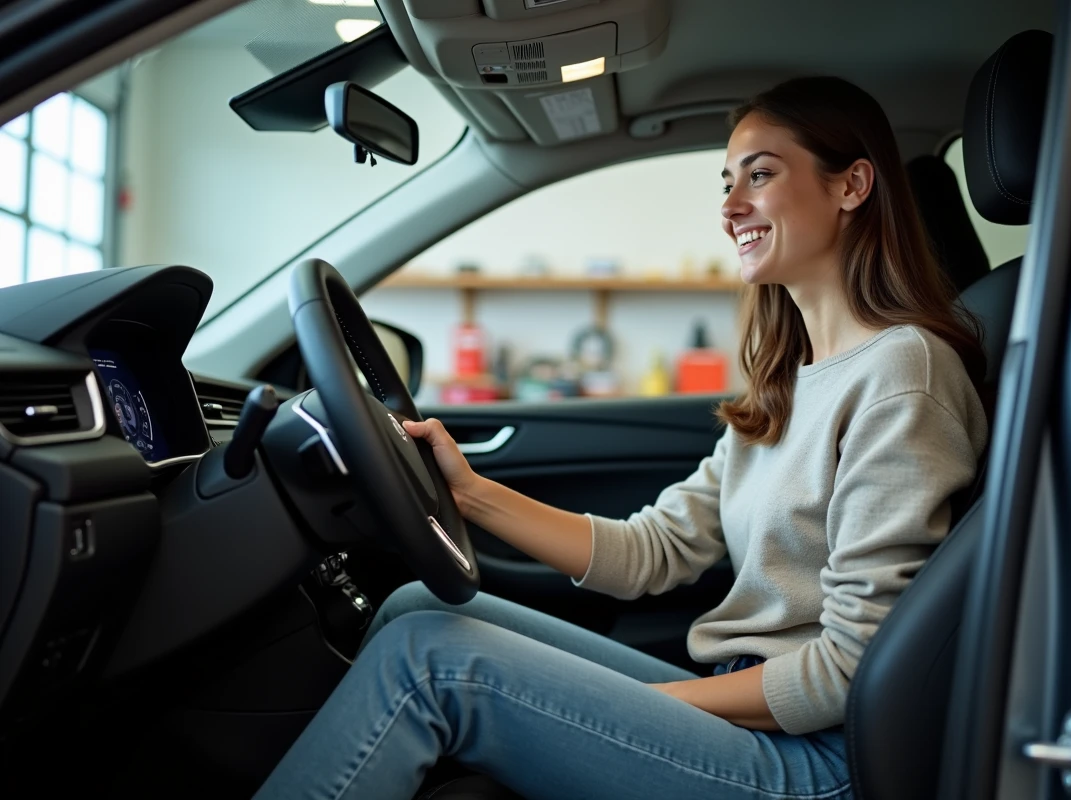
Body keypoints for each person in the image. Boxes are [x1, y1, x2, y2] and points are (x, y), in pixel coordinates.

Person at [254, 75, 989, 800]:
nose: (731, 207)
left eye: (759, 176)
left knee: (430, 660)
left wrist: (650, 708)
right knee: (420, 608)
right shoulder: (793, 377)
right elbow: (653, 551)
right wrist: (469, 494)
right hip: (746, 706)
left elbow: (850, 669)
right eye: (726, 183)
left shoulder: (904, 373)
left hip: (815, 762)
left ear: (852, 185)